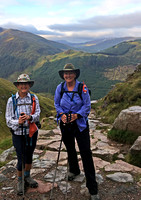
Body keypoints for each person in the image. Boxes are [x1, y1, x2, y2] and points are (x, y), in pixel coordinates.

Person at [54, 63, 100, 200]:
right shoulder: (60, 88)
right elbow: (56, 103)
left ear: (75, 74)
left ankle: (93, 188)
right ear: (63, 75)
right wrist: (61, 114)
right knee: (70, 148)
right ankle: (74, 170)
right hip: (65, 124)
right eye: (65, 73)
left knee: (86, 153)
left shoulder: (82, 88)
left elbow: (87, 106)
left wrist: (77, 115)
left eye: (70, 73)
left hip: (80, 125)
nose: (68, 75)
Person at [5, 74, 41, 196]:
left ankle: (27, 176)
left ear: (29, 85)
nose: (24, 86)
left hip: (31, 132)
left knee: (29, 155)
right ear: (18, 86)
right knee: (21, 157)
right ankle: (20, 181)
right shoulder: (12, 100)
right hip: (18, 133)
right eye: (21, 84)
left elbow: (38, 114)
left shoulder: (34, 98)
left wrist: (30, 117)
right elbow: (8, 119)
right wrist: (18, 121)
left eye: (26, 84)